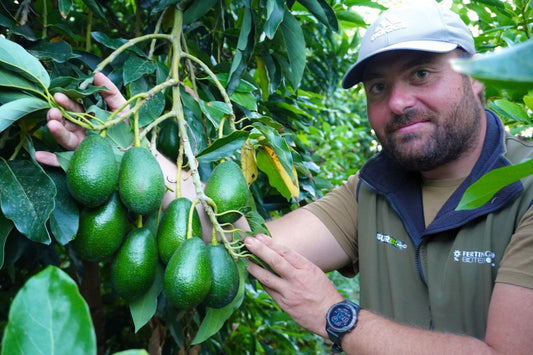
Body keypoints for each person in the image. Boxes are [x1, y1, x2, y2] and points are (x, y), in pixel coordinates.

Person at [36, 1, 533, 353]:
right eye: (378, 86)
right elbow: (237, 235)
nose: (398, 103)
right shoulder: (374, 189)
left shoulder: (526, 190)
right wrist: (131, 153)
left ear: (478, 76)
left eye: (422, 74)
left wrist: (338, 317)